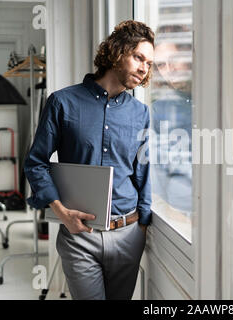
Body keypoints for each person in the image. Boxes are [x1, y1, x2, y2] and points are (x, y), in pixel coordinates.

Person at [23, 20, 155, 300]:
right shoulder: (62, 102)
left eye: (149, 63)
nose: (144, 68)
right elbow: (36, 162)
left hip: (128, 234)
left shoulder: (140, 113)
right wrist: (60, 211)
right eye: (138, 57)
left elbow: (143, 170)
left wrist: (141, 225)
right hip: (79, 236)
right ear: (117, 53)